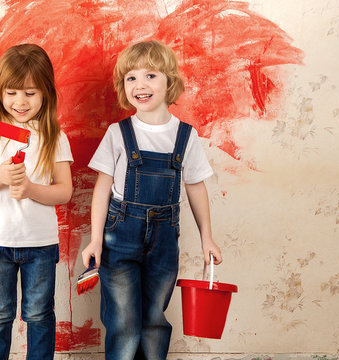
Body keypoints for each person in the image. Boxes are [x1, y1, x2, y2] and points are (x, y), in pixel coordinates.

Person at [81, 40, 222, 359]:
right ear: (123, 87)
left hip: (164, 242)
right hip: (119, 238)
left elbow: (196, 187)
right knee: (123, 322)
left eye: (150, 76)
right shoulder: (118, 133)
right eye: (131, 78)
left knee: (154, 319)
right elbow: (102, 188)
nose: (140, 85)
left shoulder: (186, 136)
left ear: (169, 81)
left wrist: (207, 239)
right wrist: (95, 242)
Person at [0, 44, 73, 360]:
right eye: (11, 93)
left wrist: (29, 189)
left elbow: (64, 191)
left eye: (30, 93)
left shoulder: (53, 135)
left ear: (46, 93)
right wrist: (0, 177)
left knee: (39, 314)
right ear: (0, 92)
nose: (20, 102)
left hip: (40, 245)